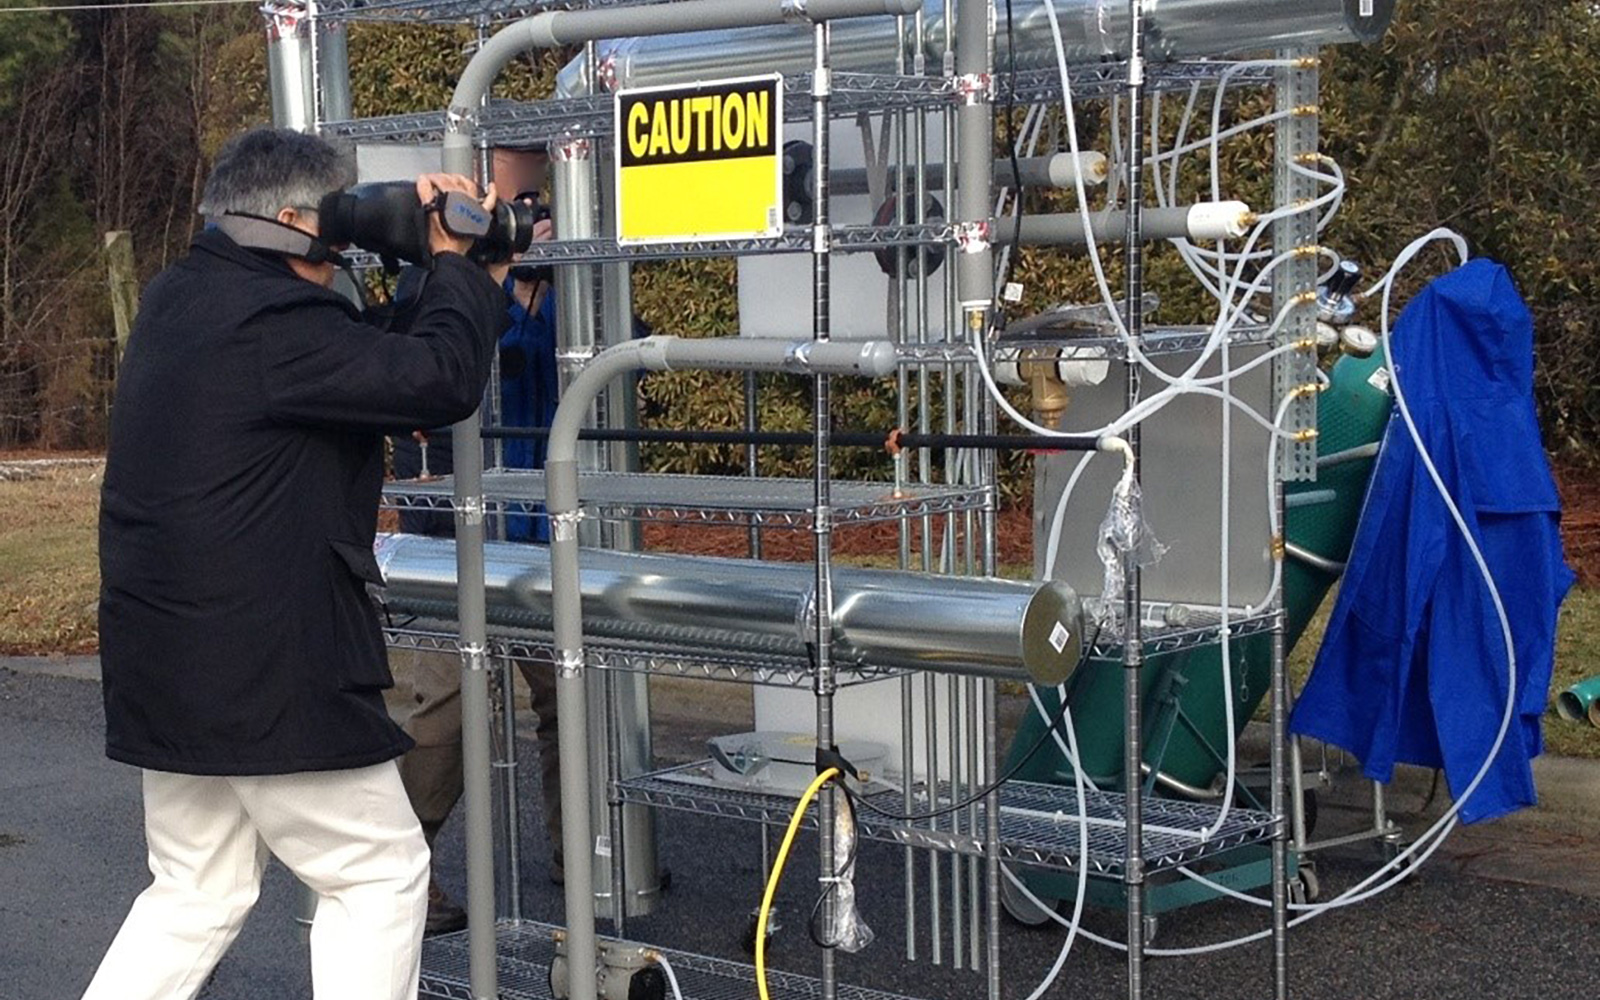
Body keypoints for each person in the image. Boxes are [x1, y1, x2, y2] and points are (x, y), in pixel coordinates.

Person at [84, 127, 510, 1000]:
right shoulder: (274, 323)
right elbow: (434, 381)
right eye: (339, 224)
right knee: (379, 874)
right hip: (266, 668)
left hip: (171, 662)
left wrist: (459, 275)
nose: (347, 243)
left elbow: (370, 369)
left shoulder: (186, 299)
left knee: (195, 891)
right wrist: (453, 265)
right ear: (288, 222)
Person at [386, 142, 565, 937]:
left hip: (541, 522)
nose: (519, 191)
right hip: (451, 524)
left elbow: (584, 362)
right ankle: (402, 869)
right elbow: (419, 368)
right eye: (510, 173)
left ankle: (585, 858)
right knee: (448, 706)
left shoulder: (570, 276)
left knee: (569, 693)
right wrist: (494, 273)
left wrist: (545, 273)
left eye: (532, 176)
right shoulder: (430, 261)